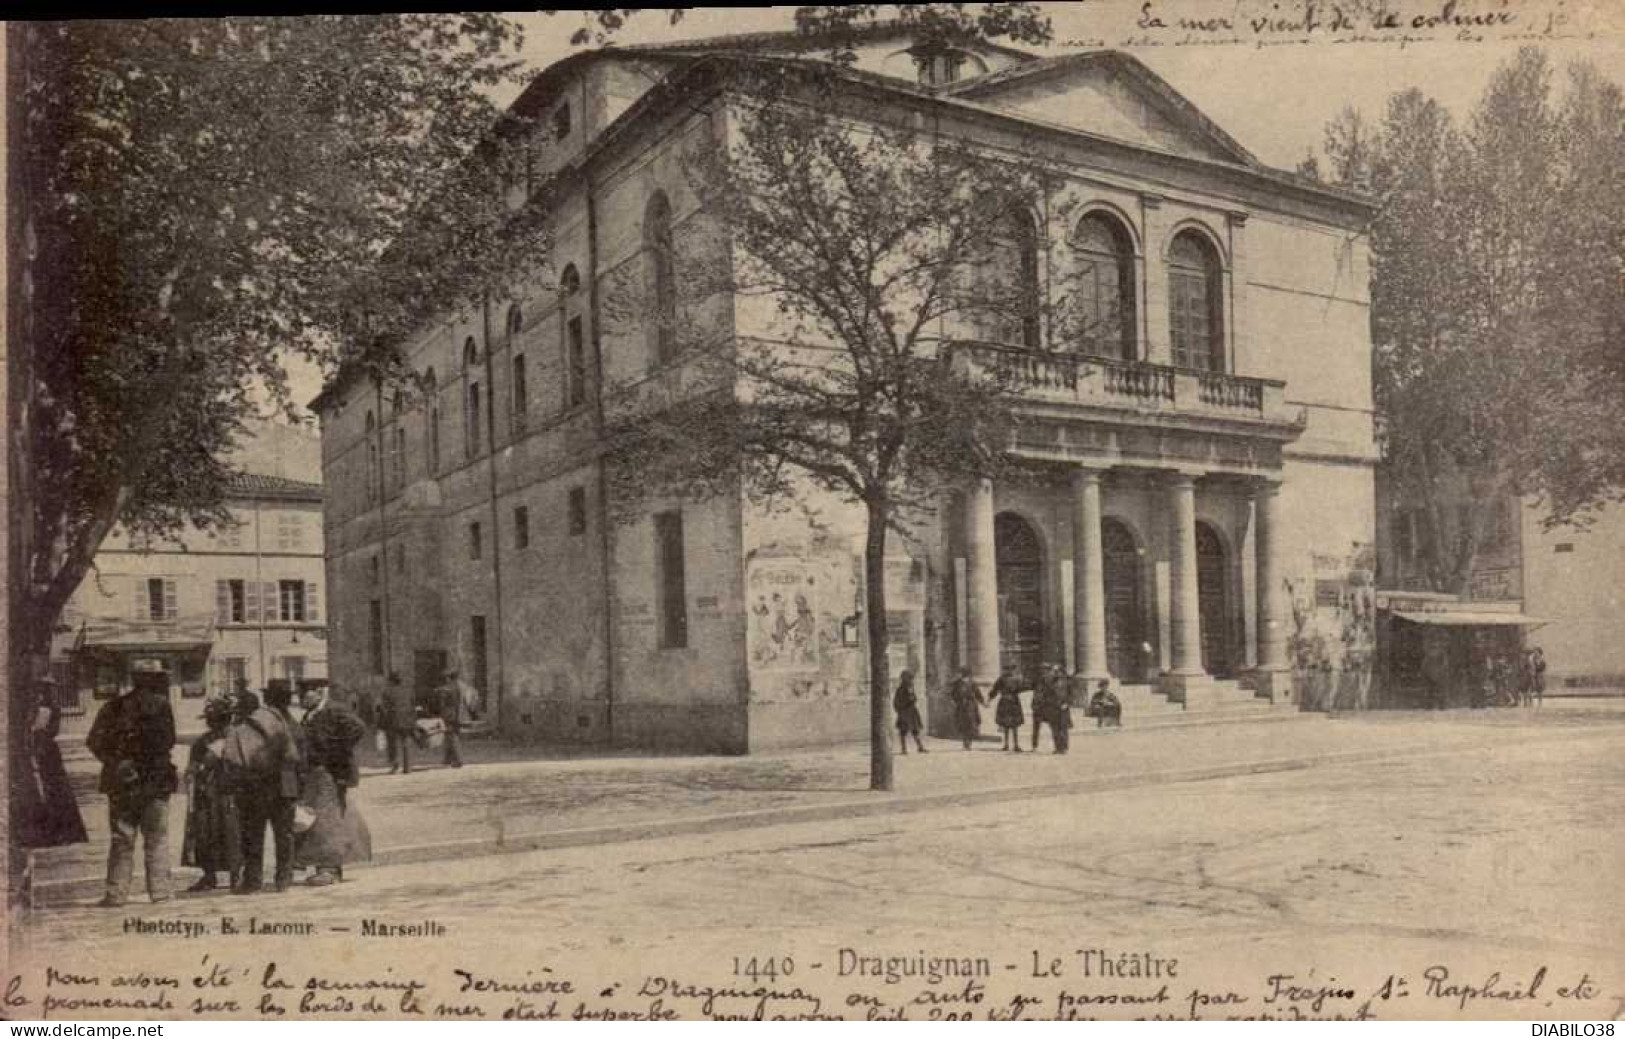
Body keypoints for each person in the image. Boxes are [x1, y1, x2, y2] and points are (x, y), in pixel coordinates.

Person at [87, 669, 177, 907]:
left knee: (121, 839)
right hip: (156, 783)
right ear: (155, 682)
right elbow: (169, 741)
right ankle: (160, 893)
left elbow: (94, 741)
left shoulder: (112, 707)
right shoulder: (162, 706)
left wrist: (118, 762)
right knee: (157, 839)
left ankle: (116, 894)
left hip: (121, 783)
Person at [295, 684, 372, 886]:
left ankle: (329, 868)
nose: (302, 698)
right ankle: (324, 865)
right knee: (320, 819)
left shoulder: (333, 709)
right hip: (318, 773)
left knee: (328, 819)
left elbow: (358, 728)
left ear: (319, 692)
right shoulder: (314, 712)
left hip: (330, 772)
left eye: (306, 693)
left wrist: (336, 753)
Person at [234, 681, 303, 893]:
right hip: (285, 784)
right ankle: (284, 879)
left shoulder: (255, 719)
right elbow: (298, 757)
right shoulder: (292, 723)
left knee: (254, 833)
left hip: (256, 785)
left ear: (267, 698)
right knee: (284, 834)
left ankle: (252, 881)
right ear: (288, 699)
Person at [18, 677, 89, 852]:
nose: (44, 692)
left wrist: (38, 735)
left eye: (48, 689)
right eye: (43, 689)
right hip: (36, 747)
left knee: (55, 787)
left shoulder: (52, 709)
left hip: (47, 750)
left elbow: (52, 730)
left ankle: (62, 830)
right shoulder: (31, 708)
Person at [180, 696, 242, 891]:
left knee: (232, 833)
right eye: (211, 719)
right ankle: (209, 875)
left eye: (217, 718)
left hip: (229, 793)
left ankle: (236, 874)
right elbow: (192, 765)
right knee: (205, 833)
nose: (212, 723)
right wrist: (192, 772)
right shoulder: (203, 741)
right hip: (206, 794)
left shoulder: (237, 738)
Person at [433, 669, 471, 769]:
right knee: (451, 735)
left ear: (449, 677)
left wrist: (440, 714)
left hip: (450, 715)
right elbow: (470, 700)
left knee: (451, 736)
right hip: (461, 714)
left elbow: (442, 704)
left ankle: (458, 760)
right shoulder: (464, 687)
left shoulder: (447, 688)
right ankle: (447, 758)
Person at [380, 673, 415, 775]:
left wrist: (382, 721)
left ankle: (394, 766)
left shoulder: (387, 692)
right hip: (407, 719)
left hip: (393, 720)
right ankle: (407, 767)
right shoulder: (408, 691)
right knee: (406, 742)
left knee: (392, 743)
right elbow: (412, 705)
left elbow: (384, 708)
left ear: (391, 681)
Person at [989, 666, 1025, 752]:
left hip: (1012, 701)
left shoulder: (1015, 679)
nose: (1010, 671)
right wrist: (990, 698)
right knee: (1006, 725)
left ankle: (1015, 744)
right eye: (1008, 669)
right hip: (1008, 701)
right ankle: (1007, 744)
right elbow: (995, 689)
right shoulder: (1002, 679)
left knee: (1015, 724)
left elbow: (1022, 688)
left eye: (1012, 669)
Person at [947, 667, 983, 750]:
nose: (960, 675)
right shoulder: (957, 683)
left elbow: (978, 693)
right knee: (963, 724)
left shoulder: (972, 683)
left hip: (971, 706)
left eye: (961, 673)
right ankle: (965, 743)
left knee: (970, 724)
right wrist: (954, 701)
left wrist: (982, 702)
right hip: (961, 706)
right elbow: (952, 693)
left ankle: (969, 743)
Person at [892, 670, 926, 755]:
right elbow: (897, 702)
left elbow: (914, 698)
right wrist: (900, 710)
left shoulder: (909, 687)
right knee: (903, 731)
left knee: (915, 730)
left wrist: (912, 697)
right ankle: (904, 749)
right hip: (905, 712)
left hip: (911, 711)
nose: (911, 680)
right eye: (910, 678)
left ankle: (920, 747)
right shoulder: (901, 689)